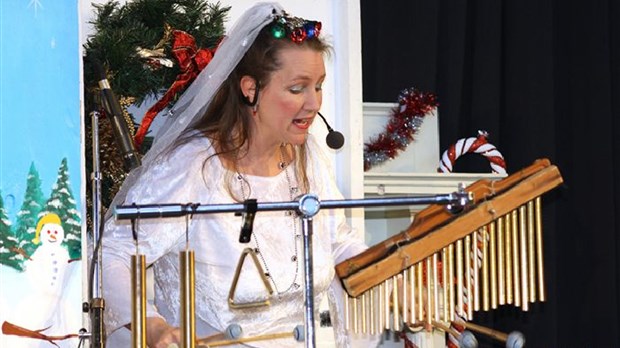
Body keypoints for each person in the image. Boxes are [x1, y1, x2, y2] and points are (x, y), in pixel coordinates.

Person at [101, 2, 379, 348]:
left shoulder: (308, 159)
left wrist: (392, 276)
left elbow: (338, 243)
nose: (314, 103)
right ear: (251, 89)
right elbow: (114, 250)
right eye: (297, 88)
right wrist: (151, 325)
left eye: (319, 86)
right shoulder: (192, 166)